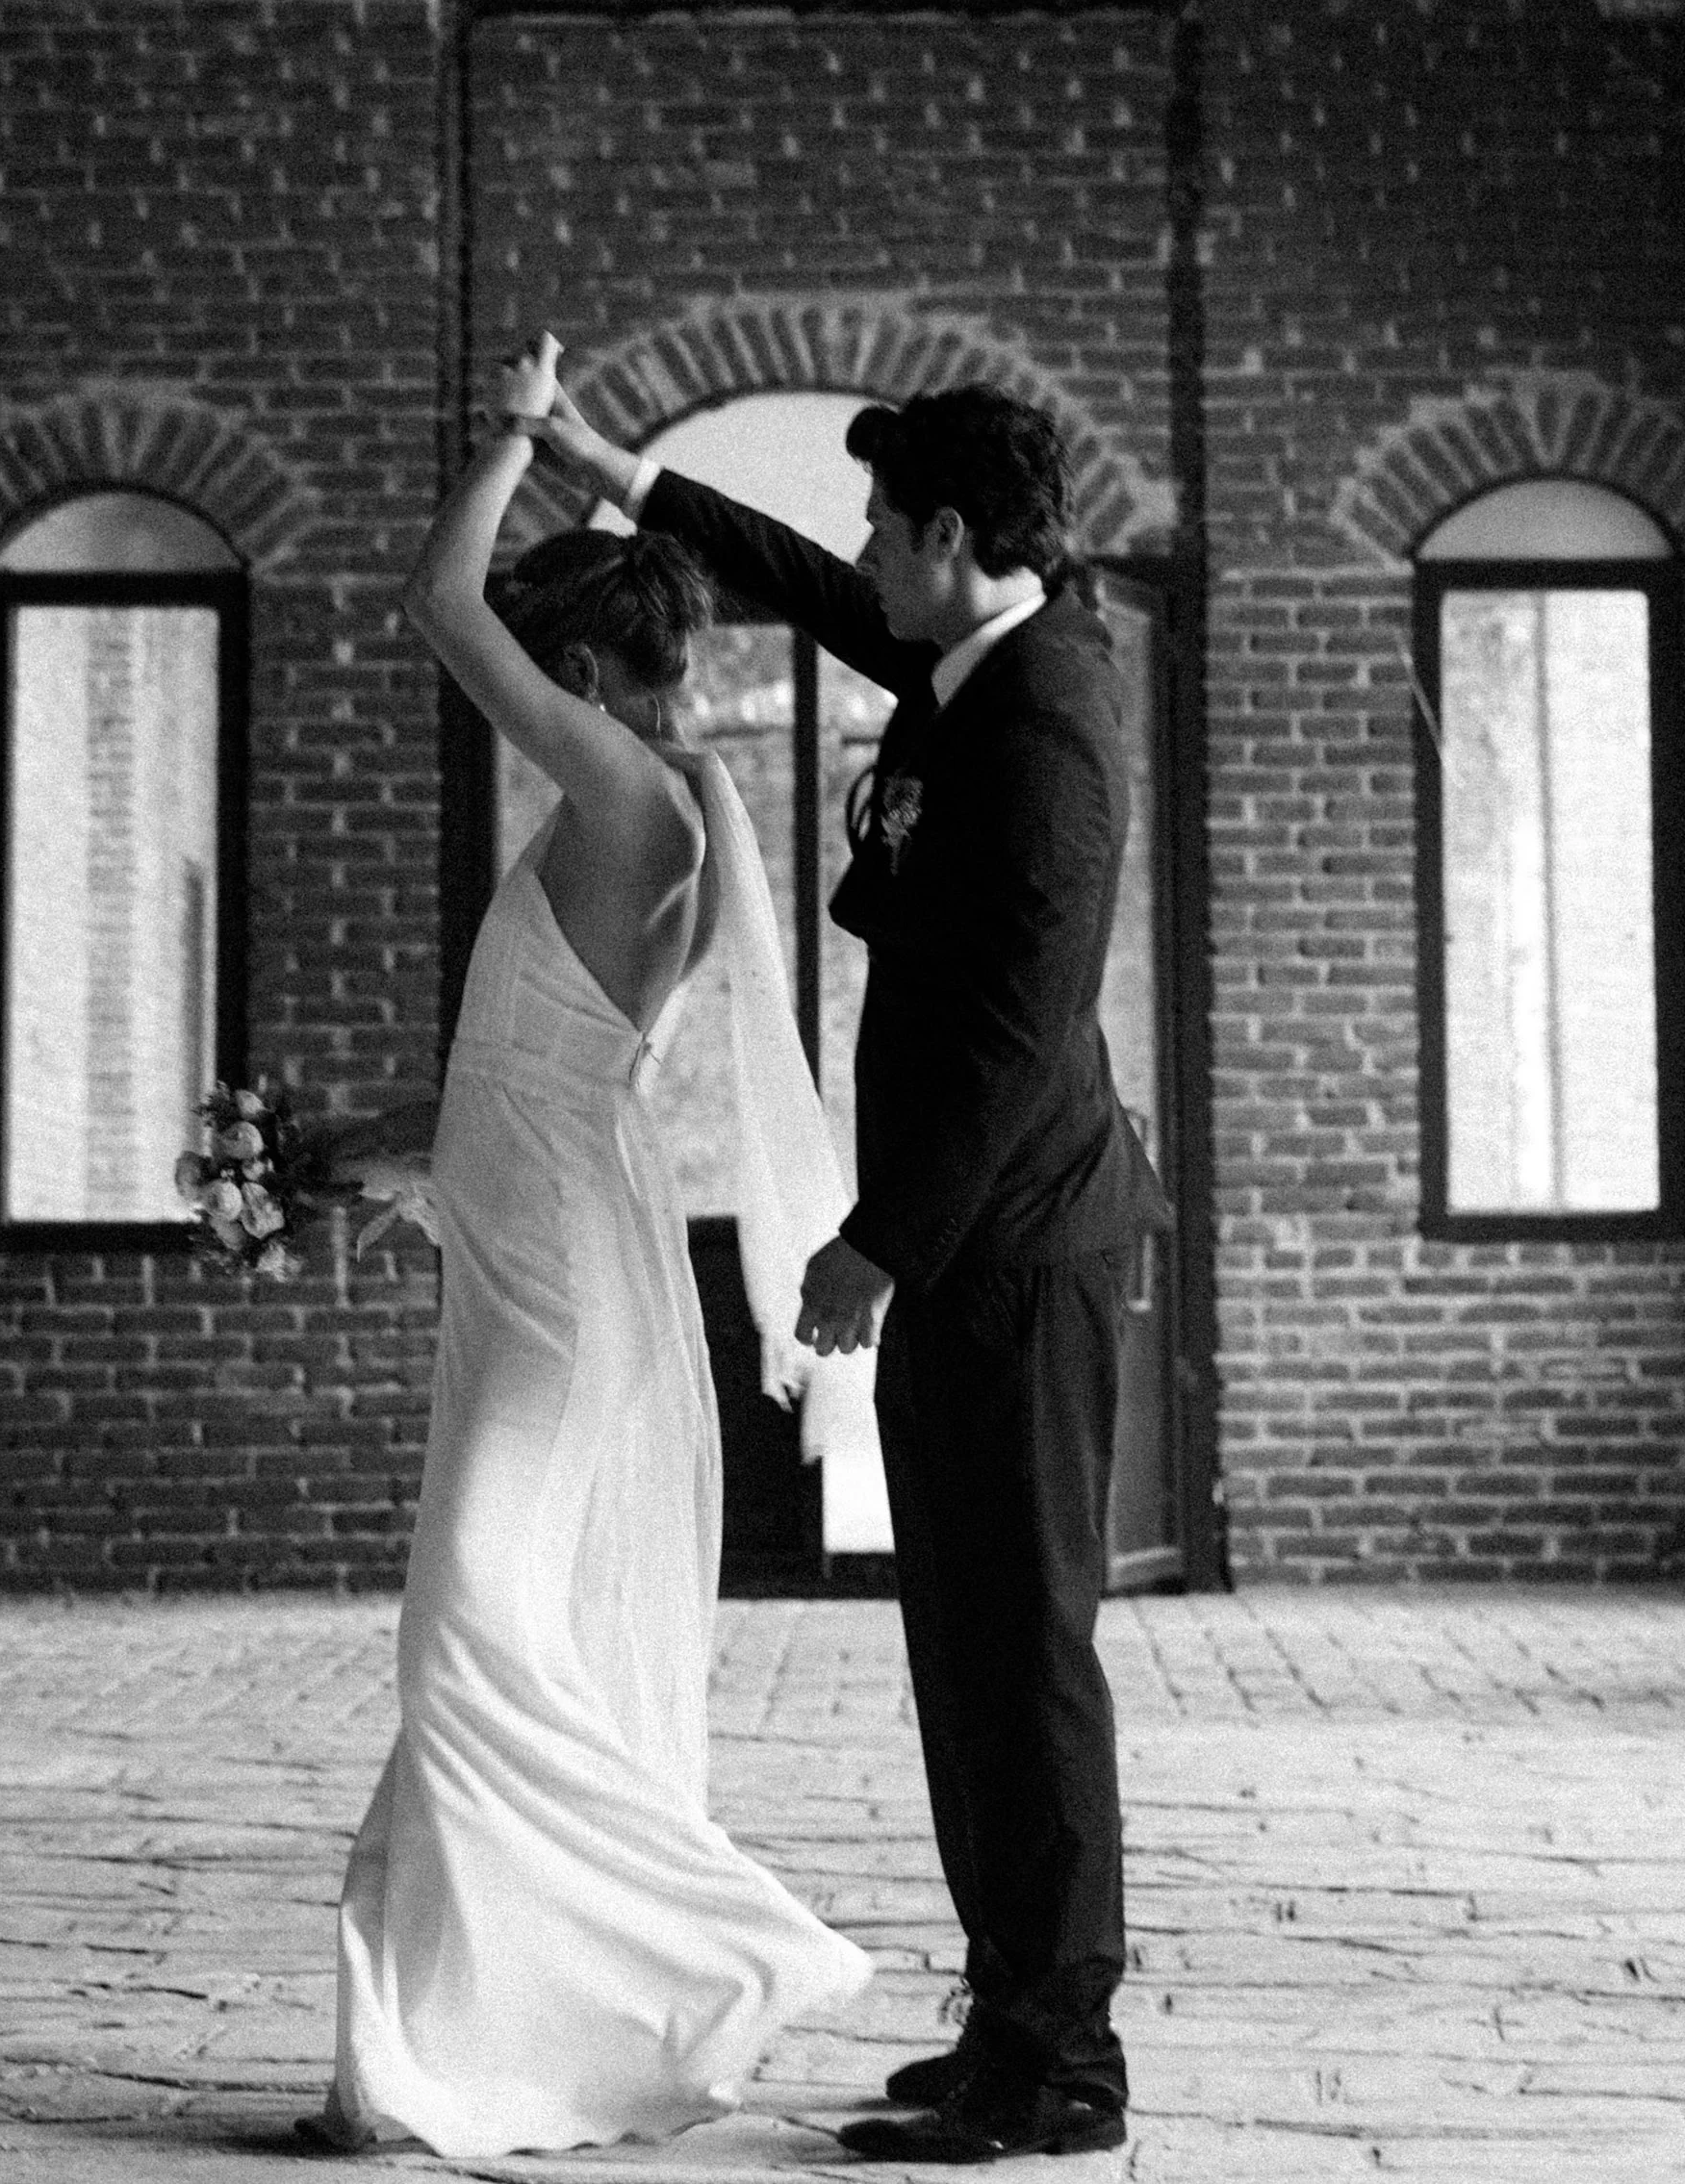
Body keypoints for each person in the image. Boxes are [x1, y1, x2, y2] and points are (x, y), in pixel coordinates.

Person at [534, 374, 1168, 2168]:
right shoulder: (980, 664)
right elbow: (813, 584)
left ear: (955, 540)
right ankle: (1007, 2018)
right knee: (961, 1639)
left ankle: (1066, 2063)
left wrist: (878, 1244)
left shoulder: (1044, 718)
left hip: (1018, 1249)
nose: (870, 553)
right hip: (982, 1249)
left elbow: (1011, 1029)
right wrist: (617, 471)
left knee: (1027, 1648)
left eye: (893, 524)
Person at [302, 334, 875, 2159]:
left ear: (572, 676)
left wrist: (519, 432)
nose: (517, 698)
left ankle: (720, 1942)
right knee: (481, 1625)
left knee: (467, 1616)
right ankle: (430, 2043)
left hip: (557, 1270)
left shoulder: (628, 798)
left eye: (537, 674)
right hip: (547, 1233)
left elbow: (431, 595)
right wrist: (349, 1156)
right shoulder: (637, 815)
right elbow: (530, 1073)